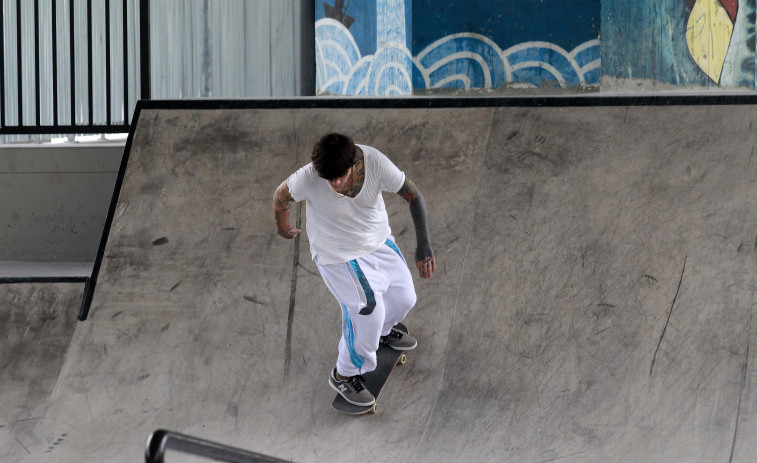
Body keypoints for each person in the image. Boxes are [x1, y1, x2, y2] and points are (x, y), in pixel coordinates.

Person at [273, 132, 435, 406]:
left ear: (354, 163)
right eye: (330, 179)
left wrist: (424, 246)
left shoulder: (375, 163)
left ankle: (381, 333)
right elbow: (281, 196)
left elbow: (414, 195)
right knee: (368, 309)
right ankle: (344, 374)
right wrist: (282, 227)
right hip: (337, 254)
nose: (336, 183)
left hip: (377, 241)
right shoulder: (309, 176)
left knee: (405, 298)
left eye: (341, 176)